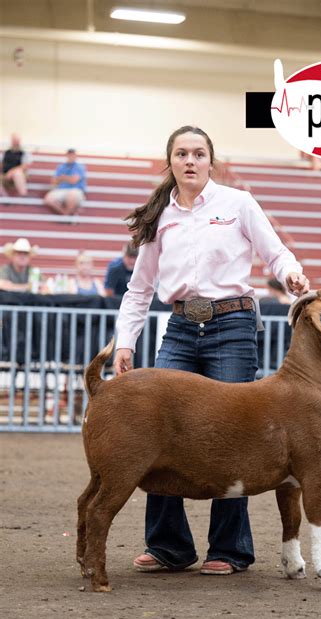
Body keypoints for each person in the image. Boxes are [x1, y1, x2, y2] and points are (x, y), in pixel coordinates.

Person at [114, 125, 309, 576]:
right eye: (181, 153)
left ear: (210, 161)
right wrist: (126, 342)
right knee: (158, 429)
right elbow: (140, 288)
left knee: (234, 433)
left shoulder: (238, 203)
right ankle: (169, 547)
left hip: (234, 323)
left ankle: (230, 549)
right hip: (180, 326)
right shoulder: (160, 215)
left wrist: (292, 276)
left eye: (198, 153)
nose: (190, 161)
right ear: (171, 162)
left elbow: (275, 253)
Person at [43, 148, 87, 216]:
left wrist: (62, 177)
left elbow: (74, 180)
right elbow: (54, 181)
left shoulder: (79, 166)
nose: (71, 156)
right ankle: (65, 213)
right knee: (49, 199)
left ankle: (67, 214)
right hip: (61, 190)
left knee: (72, 196)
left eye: (73, 154)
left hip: (75, 190)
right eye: (70, 154)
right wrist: (66, 178)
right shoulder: (61, 166)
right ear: (67, 155)